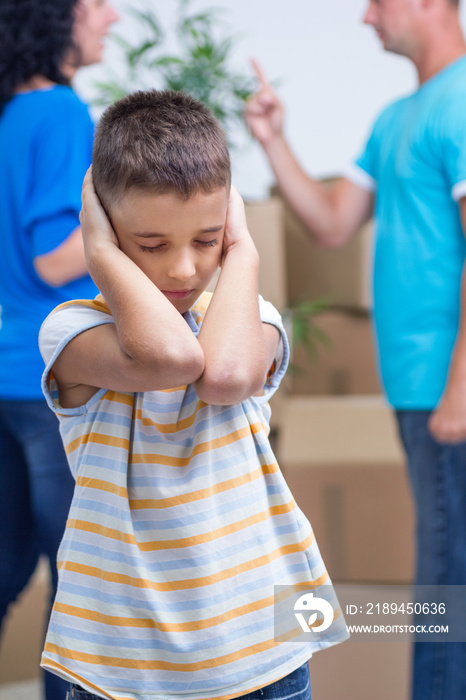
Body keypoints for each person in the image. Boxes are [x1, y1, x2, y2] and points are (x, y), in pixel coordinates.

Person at [37, 89, 348, 700]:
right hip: (122, 666)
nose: (182, 269)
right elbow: (172, 362)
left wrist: (245, 248)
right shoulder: (73, 330)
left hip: (264, 650)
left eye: (207, 240)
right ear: (106, 227)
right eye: (151, 245)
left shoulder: (252, 321)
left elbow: (224, 376)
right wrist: (97, 253)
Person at [245, 0, 466, 698]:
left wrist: (461, 388)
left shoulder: (461, 101)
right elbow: (333, 224)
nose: (367, 17)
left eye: (378, 1)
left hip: (447, 387)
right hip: (418, 387)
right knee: (445, 581)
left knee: (447, 589)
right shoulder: (395, 118)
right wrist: (273, 140)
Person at [0, 1, 118, 698]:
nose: (111, 18)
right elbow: (51, 259)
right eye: (97, 3)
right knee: (81, 579)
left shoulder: (10, 115)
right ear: (57, 18)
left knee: (10, 561)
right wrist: (138, 216)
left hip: (8, 374)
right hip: (54, 381)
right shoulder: (63, 112)